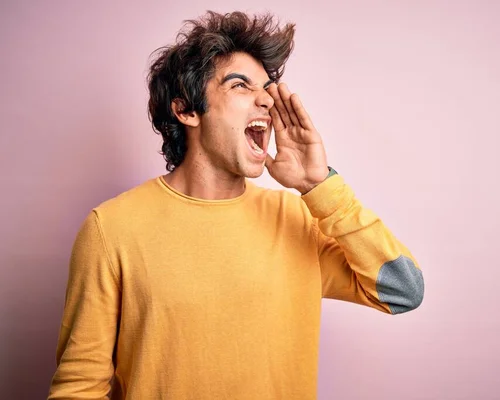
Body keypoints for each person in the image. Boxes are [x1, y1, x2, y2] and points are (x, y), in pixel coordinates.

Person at [48, 10, 424, 400]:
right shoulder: (111, 230)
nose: (266, 100)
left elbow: (403, 291)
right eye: (240, 85)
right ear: (186, 111)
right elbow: (78, 388)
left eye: (267, 88)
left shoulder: (297, 218)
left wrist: (319, 186)